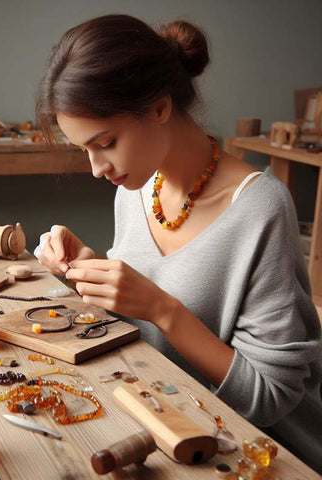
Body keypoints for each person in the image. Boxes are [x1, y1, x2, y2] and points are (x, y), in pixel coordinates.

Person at [34, 14, 322, 472]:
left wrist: (163, 309)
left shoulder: (260, 208)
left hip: (261, 455)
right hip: (166, 426)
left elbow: (272, 398)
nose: (96, 167)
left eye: (105, 143)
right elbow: (147, 341)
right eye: (84, 150)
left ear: (160, 109)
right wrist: (86, 275)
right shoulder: (137, 190)